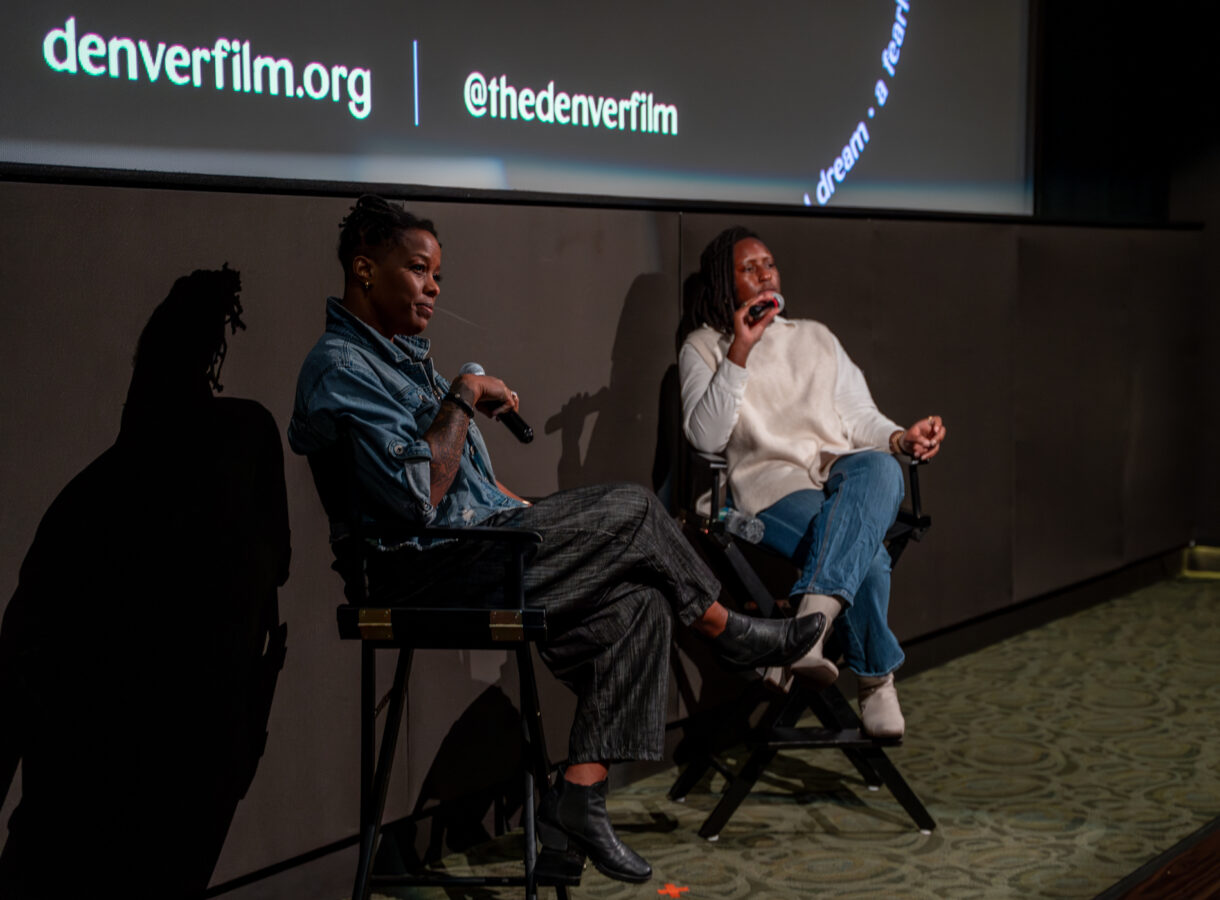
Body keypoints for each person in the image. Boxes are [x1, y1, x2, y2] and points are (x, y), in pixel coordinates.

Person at [287, 196, 827, 884]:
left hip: (480, 550)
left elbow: (479, 498)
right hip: (424, 575)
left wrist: (555, 513)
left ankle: (578, 796)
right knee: (633, 508)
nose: (433, 289)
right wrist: (461, 396)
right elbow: (420, 497)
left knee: (639, 602)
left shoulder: (399, 362)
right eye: (419, 271)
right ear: (364, 270)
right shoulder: (340, 367)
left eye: (439, 277)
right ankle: (729, 631)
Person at [677, 226, 947, 739]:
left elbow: (859, 417)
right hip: (767, 488)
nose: (764, 274)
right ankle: (876, 679)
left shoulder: (816, 338)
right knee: (865, 550)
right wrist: (740, 350)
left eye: (769, 264)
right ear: (723, 282)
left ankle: (808, 626)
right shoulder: (706, 348)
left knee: (882, 468)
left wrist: (899, 439)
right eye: (748, 267)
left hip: (837, 476)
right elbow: (705, 437)